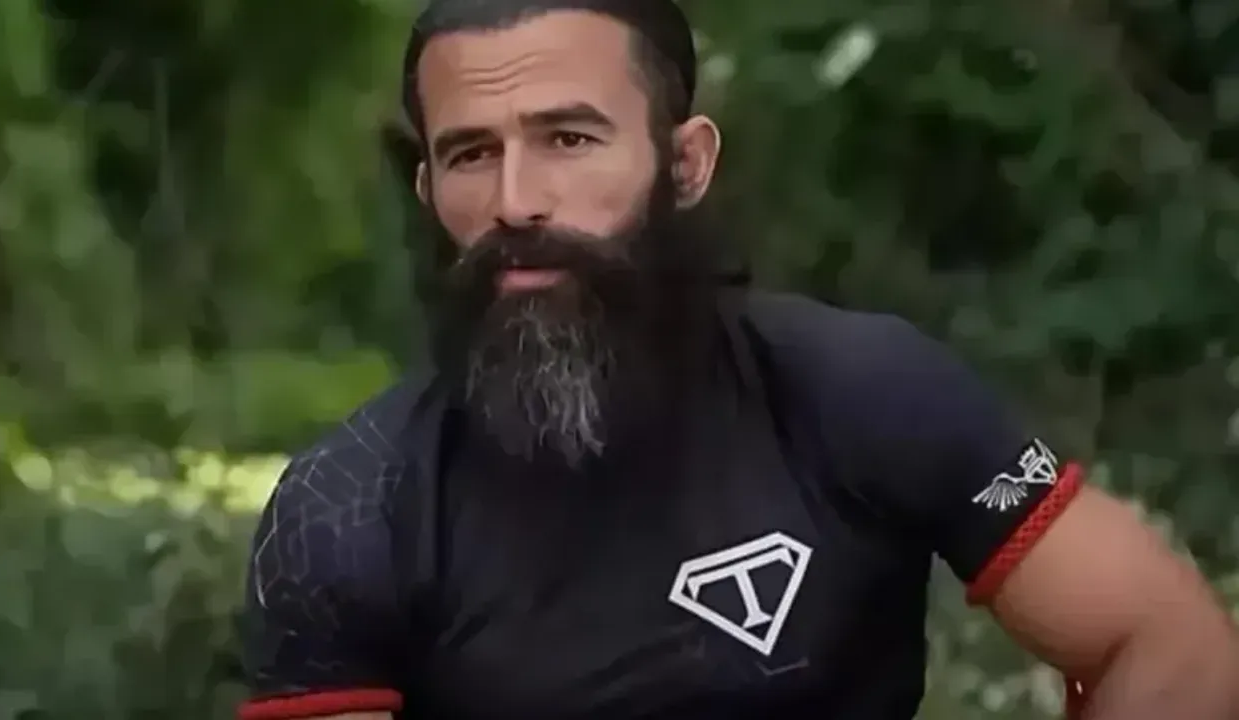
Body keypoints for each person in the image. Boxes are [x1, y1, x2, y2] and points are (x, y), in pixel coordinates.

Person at [235, 1, 1239, 718]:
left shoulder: (863, 393)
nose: (515, 201)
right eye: (469, 154)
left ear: (685, 164)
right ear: (427, 192)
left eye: (568, 139)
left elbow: (1162, 641)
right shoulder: (348, 507)